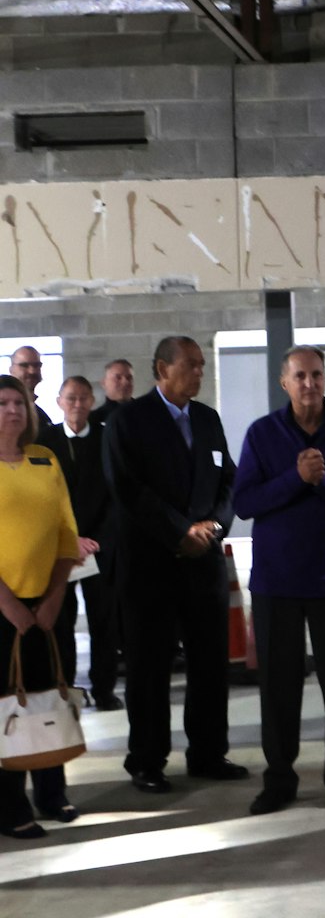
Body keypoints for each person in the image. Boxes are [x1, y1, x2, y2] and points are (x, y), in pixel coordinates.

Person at [233, 346, 325, 815]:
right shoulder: (263, 434)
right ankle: (279, 779)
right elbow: (245, 503)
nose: (309, 384)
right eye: (300, 376)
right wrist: (296, 478)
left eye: (317, 375)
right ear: (284, 382)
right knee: (278, 686)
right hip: (278, 583)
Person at [103, 336, 246, 793]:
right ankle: (146, 759)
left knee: (210, 663)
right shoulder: (129, 420)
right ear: (162, 369)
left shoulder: (208, 420)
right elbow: (128, 490)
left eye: (202, 366)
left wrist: (213, 529)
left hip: (202, 564)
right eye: (191, 365)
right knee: (149, 668)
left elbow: (228, 481)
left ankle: (208, 752)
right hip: (150, 566)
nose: (199, 374)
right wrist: (179, 531)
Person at [0, 375, 82, 838]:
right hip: (3, 607)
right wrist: (8, 604)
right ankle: (9, 807)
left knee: (48, 694)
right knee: (7, 705)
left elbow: (66, 535)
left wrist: (53, 597)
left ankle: (53, 793)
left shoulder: (43, 459)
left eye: (18, 403)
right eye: (2, 403)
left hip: (47, 602)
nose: (12, 411)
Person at [36, 375, 121, 710]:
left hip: (100, 547)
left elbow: (117, 494)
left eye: (83, 398)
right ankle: (66, 686)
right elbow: (44, 499)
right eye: (70, 398)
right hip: (61, 548)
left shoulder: (106, 437)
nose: (77, 405)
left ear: (92, 402)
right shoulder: (46, 441)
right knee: (62, 620)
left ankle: (104, 689)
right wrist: (71, 539)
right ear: (59, 401)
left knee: (104, 621)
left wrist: (96, 539)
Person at [8, 345, 51, 433]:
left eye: (37, 365)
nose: (32, 371)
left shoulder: (41, 416)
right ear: (11, 370)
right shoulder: (6, 411)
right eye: (24, 365)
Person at [89, 359, 135, 426]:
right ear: (104, 383)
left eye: (129, 378)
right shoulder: (93, 420)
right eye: (118, 378)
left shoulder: (147, 413)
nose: (125, 382)